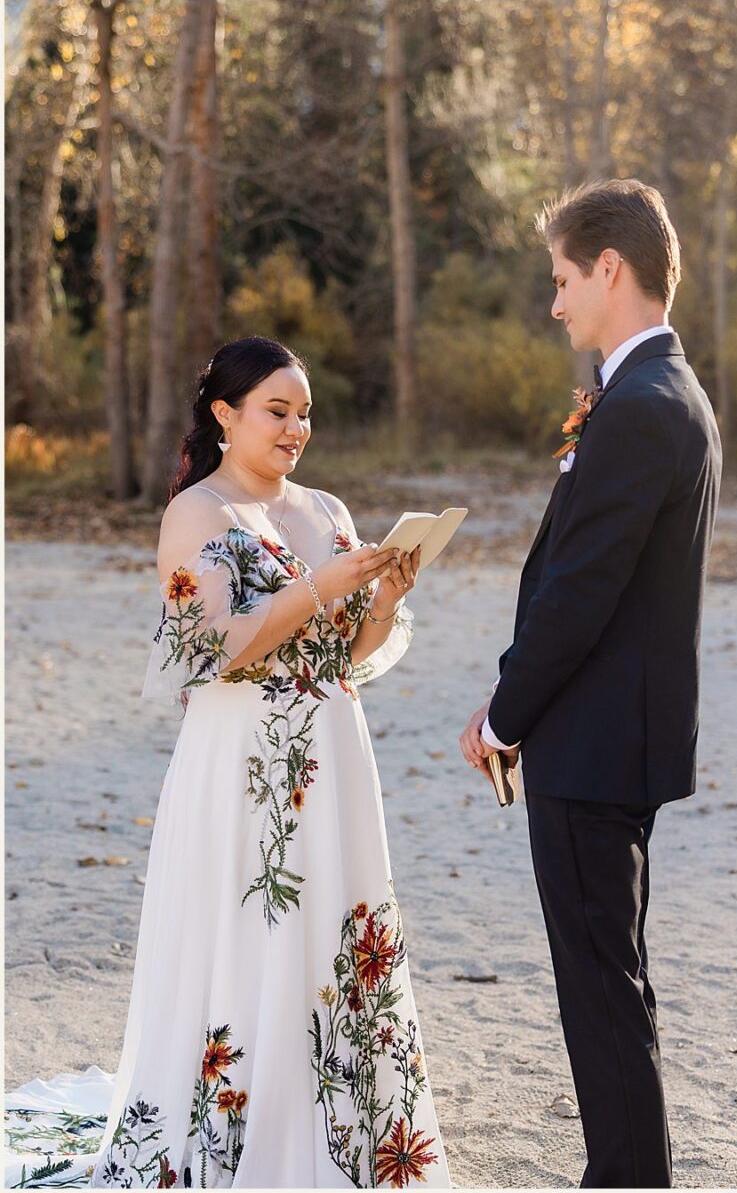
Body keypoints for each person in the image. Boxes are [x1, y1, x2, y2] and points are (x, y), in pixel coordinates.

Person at [5, 336, 448, 1187]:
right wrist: (320, 587)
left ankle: (338, 1125)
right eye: (277, 412)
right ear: (224, 415)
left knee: (331, 933)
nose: (296, 429)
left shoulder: (328, 511)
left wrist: (384, 599)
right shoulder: (197, 515)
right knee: (252, 933)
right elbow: (218, 651)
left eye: (304, 413)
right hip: (240, 757)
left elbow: (348, 653)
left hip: (333, 755)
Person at [457, 179, 721, 1188]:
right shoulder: (660, 392)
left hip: (592, 743)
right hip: (615, 736)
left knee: (601, 990)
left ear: (611, 269)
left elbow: (580, 592)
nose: (556, 302)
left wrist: (506, 713)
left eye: (563, 279)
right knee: (613, 983)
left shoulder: (644, 405)